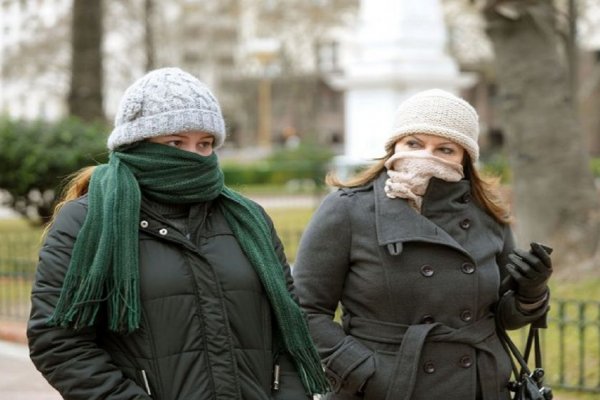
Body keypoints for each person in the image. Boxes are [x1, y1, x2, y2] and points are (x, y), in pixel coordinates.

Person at [27, 67, 328, 400]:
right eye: (175, 142)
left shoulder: (248, 219)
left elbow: (288, 327)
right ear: (137, 144)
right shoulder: (85, 221)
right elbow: (58, 343)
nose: (193, 156)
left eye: (205, 143)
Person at [292, 89, 553, 400]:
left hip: (478, 387)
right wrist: (364, 372)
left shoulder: (487, 214)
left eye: (445, 149)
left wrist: (532, 291)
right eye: (414, 144)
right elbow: (304, 311)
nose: (426, 157)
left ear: (464, 159)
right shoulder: (348, 210)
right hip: (385, 390)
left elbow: (505, 318)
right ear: (394, 146)